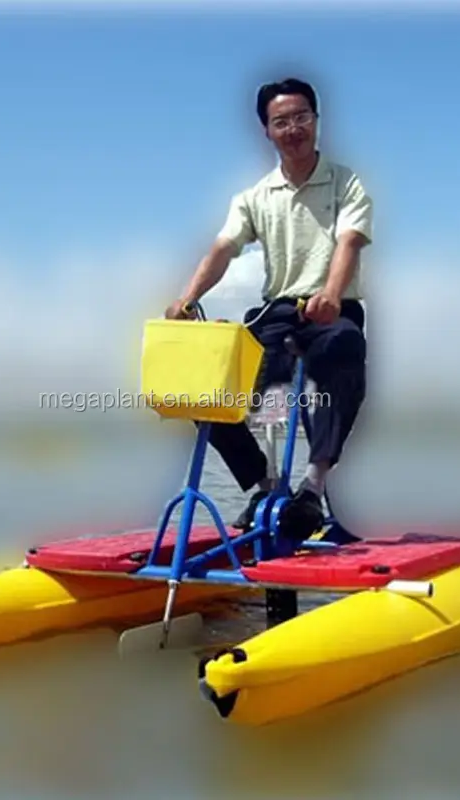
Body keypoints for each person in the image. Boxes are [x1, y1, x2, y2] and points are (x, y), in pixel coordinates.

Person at [165, 77, 372, 546]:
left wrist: (332, 295)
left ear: (316, 121)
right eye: (282, 121)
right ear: (267, 130)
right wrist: (187, 298)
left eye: (302, 118)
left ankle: (312, 490)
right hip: (278, 312)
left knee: (345, 345)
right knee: (207, 383)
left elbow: (350, 242)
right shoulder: (255, 197)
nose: (293, 128)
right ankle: (265, 487)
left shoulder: (346, 183)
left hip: (332, 310)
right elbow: (223, 247)